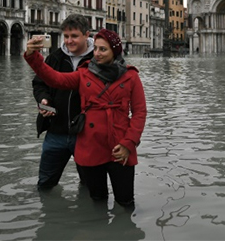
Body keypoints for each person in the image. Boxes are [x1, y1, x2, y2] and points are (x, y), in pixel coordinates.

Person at [25, 29, 146, 207]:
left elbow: (139, 113)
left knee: (125, 201)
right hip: (91, 146)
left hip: (120, 146)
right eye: (95, 48)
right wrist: (32, 56)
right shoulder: (84, 74)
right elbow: (55, 79)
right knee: (97, 200)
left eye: (103, 49)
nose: (96, 53)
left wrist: (129, 144)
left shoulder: (131, 76)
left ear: (115, 51)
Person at [33, 14, 95, 191]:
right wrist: (43, 101)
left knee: (90, 185)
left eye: (74, 36)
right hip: (56, 131)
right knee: (45, 184)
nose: (69, 41)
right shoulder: (54, 57)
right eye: (66, 36)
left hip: (86, 134)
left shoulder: (98, 59)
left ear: (86, 35)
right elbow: (39, 84)